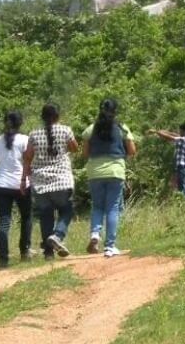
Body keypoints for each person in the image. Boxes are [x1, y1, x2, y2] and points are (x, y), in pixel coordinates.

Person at [82, 98, 138, 257]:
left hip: (95, 172)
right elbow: (132, 150)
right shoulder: (122, 128)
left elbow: (85, 153)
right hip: (115, 171)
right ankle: (109, 246)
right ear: (115, 112)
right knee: (112, 207)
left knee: (97, 206)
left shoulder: (90, 129)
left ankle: (94, 233)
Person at [22, 102, 77, 259]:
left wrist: (23, 179)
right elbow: (74, 148)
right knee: (66, 210)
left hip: (40, 181)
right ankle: (57, 236)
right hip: (62, 180)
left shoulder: (33, 134)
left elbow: (27, 157)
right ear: (58, 116)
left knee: (45, 215)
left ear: (42, 116)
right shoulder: (66, 131)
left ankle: (48, 253)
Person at [0, 111, 32, 267]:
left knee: (3, 222)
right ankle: (25, 251)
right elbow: (28, 163)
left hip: (1, 185)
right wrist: (23, 179)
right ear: (20, 123)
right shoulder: (25, 140)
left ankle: (3, 259)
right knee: (26, 218)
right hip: (22, 184)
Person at [149, 124, 185, 197]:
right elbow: (174, 134)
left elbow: (170, 138)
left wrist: (157, 132)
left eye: (180, 130)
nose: (179, 132)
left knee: (183, 189)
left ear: (184, 131)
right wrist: (163, 131)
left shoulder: (184, 139)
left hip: (183, 167)